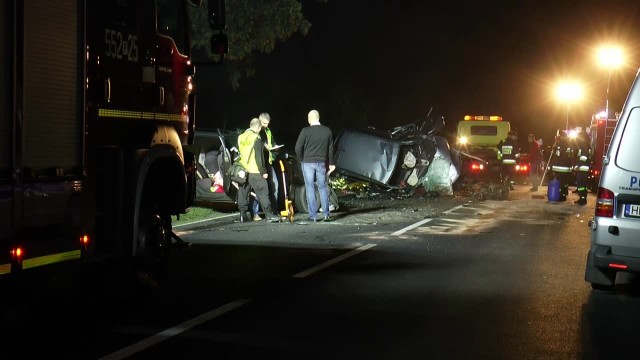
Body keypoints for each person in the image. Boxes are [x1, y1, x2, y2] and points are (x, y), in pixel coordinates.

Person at [237, 118, 280, 223]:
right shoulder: (256, 138)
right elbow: (258, 157)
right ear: (257, 127)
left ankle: (243, 214)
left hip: (243, 169)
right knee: (263, 192)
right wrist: (263, 172)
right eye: (260, 128)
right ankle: (269, 215)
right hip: (255, 170)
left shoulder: (241, 137)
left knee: (243, 192)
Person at [295, 110, 335, 222]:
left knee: (310, 187)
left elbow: (298, 147)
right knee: (322, 187)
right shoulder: (327, 131)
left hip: (307, 162)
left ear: (309, 118)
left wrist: (300, 159)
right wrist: (331, 163)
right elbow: (330, 150)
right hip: (321, 162)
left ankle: (313, 216)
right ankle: (326, 214)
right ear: (319, 117)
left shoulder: (305, 131)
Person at [251, 112, 280, 221]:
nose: (266, 125)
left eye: (268, 123)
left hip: (268, 163)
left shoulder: (268, 131)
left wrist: (275, 147)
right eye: (264, 123)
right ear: (259, 120)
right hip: (258, 165)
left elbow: (272, 142)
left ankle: (273, 210)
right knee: (259, 189)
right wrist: (265, 147)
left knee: (274, 186)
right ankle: (256, 212)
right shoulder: (255, 131)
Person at [550, 130, 573, 201]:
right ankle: (564, 194)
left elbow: (558, 154)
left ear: (562, 136)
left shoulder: (561, 144)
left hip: (560, 166)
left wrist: (554, 147)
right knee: (565, 182)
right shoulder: (569, 144)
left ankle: (561, 196)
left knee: (560, 182)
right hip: (567, 166)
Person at [573, 131, 591, 205]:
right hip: (583, 168)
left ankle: (582, 199)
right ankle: (582, 198)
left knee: (581, 185)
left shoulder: (584, 145)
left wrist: (578, 165)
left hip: (583, 168)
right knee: (582, 185)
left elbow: (584, 157)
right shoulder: (584, 145)